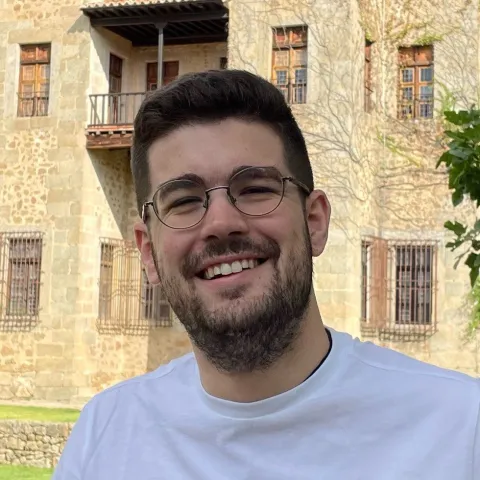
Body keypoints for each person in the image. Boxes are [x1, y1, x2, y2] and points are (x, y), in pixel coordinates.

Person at [52, 69, 479, 480]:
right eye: (183, 201)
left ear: (314, 221)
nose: (221, 223)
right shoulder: (106, 435)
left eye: (255, 189)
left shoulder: (460, 431)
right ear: (148, 251)